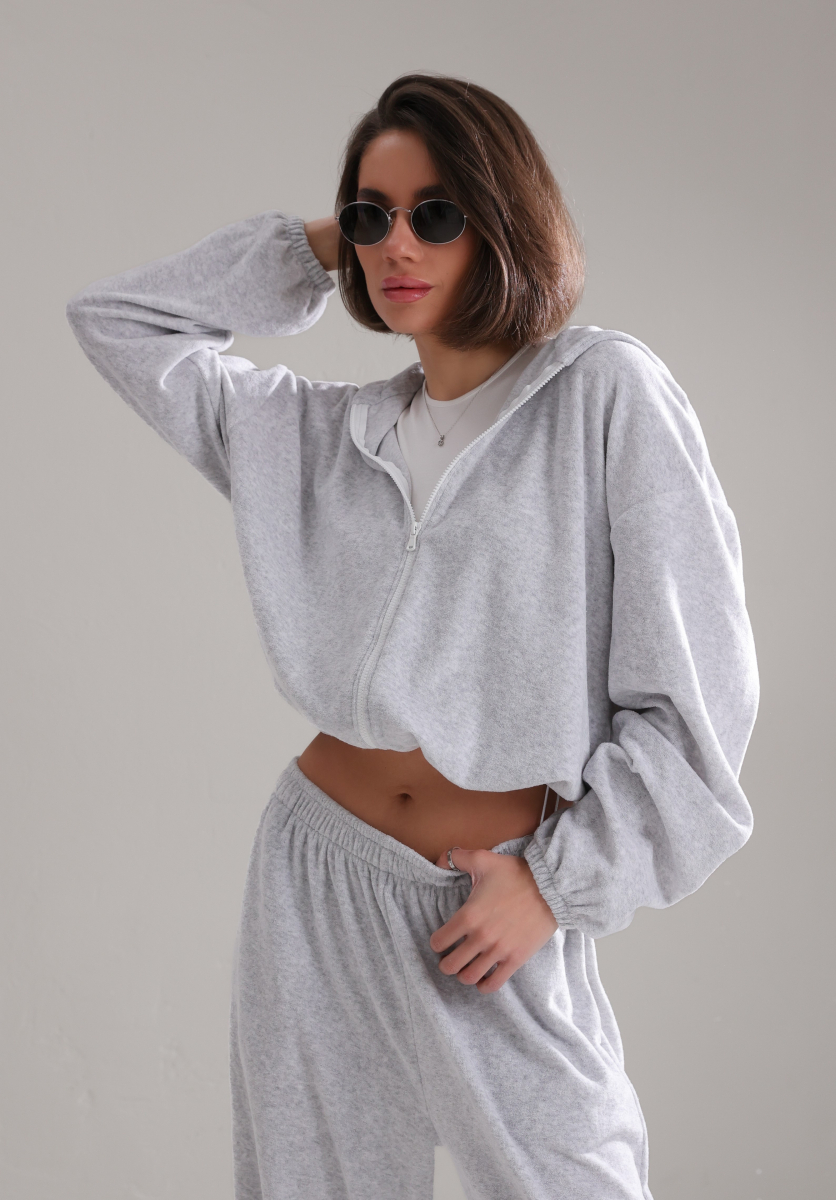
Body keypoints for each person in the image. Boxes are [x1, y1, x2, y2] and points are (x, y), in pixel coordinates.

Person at [66, 73, 758, 1200]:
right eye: (370, 214)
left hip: (488, 901)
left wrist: (554, 885)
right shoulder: (314, 435)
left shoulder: (604, 396)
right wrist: (318, 251)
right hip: (312, 883)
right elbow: (119, 322)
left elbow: (699, 705)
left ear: (503, 220)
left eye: (436, 213)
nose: (398, 243)